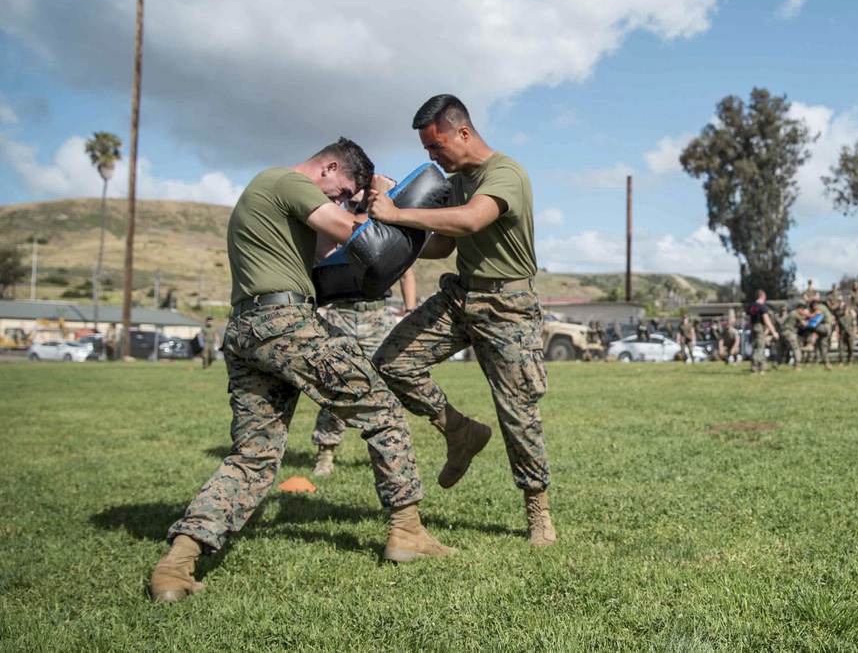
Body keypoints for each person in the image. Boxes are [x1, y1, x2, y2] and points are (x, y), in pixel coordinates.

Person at [149, 138, 455, 603]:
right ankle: (407, 531)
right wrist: (382, 199)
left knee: (254, 456)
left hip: (247, 330)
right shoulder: (287, 181)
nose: (337, 200)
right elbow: (355, 231)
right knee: (383, 410)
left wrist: (371, 207)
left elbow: (337, 259)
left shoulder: (268, 200)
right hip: (284, 323)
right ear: (328, 168)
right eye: (338, 190)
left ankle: (177, 564)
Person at [369, 94, 556, 547]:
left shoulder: (504, 173)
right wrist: (389, 229)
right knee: (392, 361)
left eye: (437, 147)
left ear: (463, 133)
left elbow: (472, 221)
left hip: (506, 306)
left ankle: (538, 511)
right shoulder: (456, 181)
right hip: (460, 297)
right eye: (427, 151)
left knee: (517, 413)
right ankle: (460, 432)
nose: (433, 158)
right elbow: (441, 246)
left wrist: (397, 213)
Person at [311, 194, 419, 475]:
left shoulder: (385, 224)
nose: (357, 202)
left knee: (381, 386)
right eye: (352, 199)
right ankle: (326, 451)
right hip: (342, 314)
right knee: (337, 384)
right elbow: (324, 255)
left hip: (377, 315)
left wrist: (409, 310)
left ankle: (386, 452)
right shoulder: (333, 219)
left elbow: (406, 272)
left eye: (363, 198)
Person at [747, 290, 779, 375]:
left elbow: (750, 319)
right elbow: (767, 320)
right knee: (760, 348)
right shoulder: (762, 307)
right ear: (763, 296)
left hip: (752, 327)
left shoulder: (751, 306)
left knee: (755, 347)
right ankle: (754, 368)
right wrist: (774, 332)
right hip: (759, 327)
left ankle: (763, 368)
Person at [776, 303, 805, 370]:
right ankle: (796, 365)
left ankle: (775, 365)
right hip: (789, 332)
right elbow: (804, 323)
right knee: (796, 348)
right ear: (800, 309)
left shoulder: (791, 313)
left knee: (781, 350)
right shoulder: (795, 314)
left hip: (782, 332)